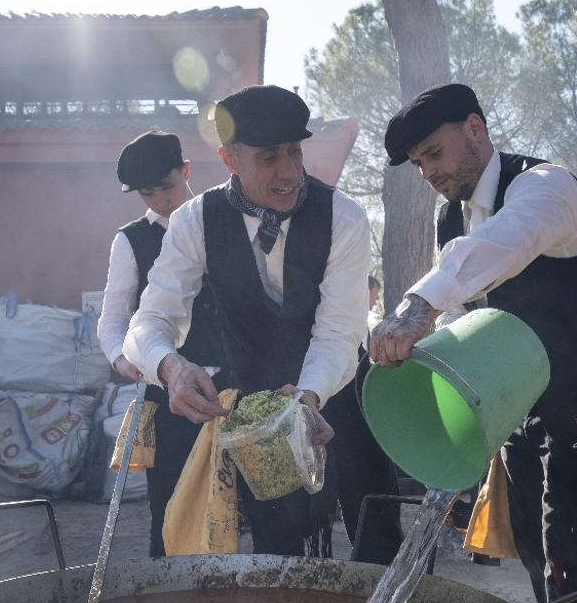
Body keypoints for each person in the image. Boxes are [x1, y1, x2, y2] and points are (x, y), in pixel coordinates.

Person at [370, 83, 577, 603]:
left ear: (474, 128)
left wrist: (417, 305)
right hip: (521, 417)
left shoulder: (544, 187)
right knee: (553, 563)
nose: (427, 174)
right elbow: (465, 320)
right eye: (417, 164)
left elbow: (503, 244)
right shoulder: (453, 223)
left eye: (434, 154)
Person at [124, 84, 403, 563]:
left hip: (338, 396)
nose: (289, 172)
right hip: (255, 411)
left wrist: (307, 396)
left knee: (376, 536)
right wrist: (170, 366)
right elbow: (148, 321)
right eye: (269, 158)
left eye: (295, 153)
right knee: (277, 547)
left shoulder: (344, 217)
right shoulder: (194, 222)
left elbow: (339, 330)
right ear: (230, 159)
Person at [97, 130, 225, 557]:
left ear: (186, 171)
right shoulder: (131, 239)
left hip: (235, 386)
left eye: (167, 187)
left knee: (236, 505)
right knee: (171, 507)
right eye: (148, 194)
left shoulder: (223, 220)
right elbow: (114, 315)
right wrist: (120, 357)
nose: (160, 201)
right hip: (169, 390)